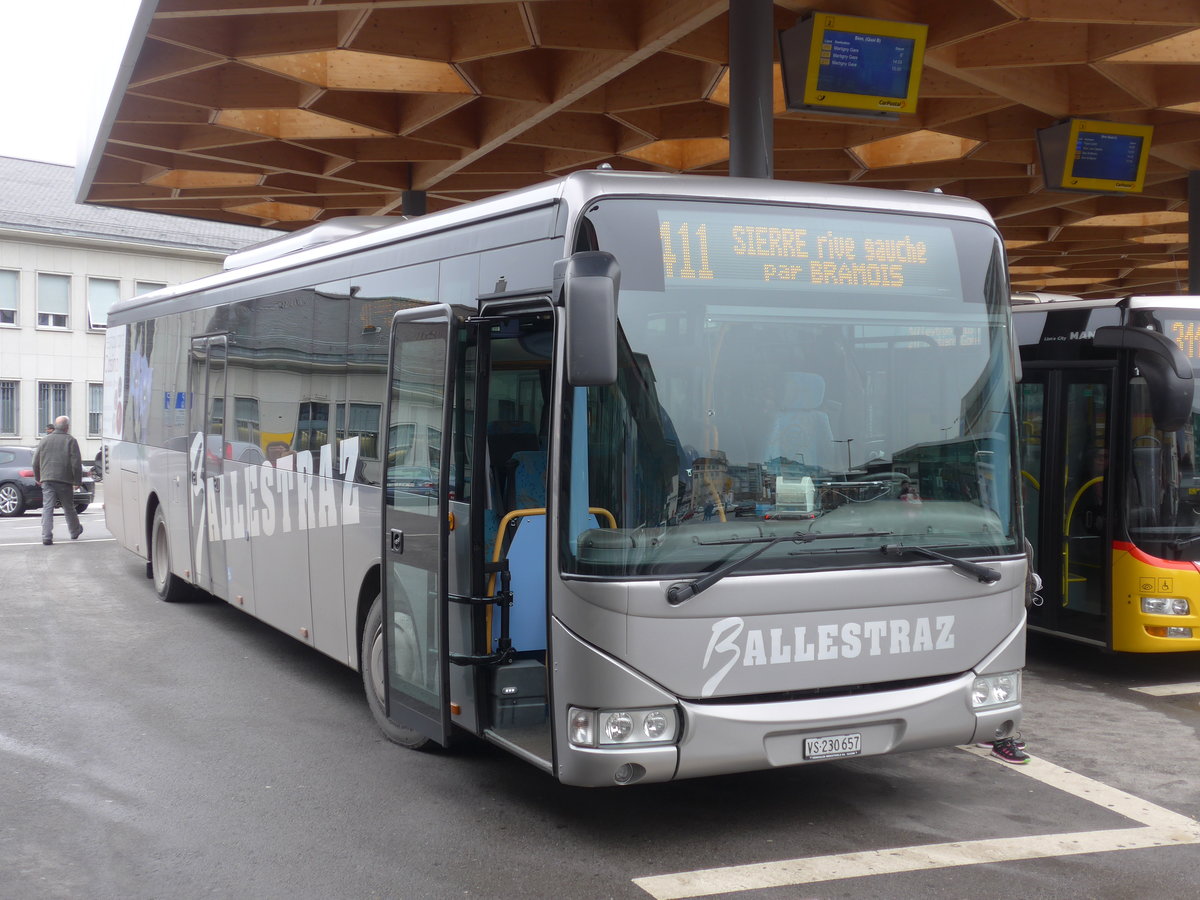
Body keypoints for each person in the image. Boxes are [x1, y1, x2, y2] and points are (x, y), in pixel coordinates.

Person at [32, 415, 84, 546]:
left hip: (47, 479)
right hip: (64, 480)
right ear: (67, 427)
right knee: (68, 507)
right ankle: (74, 531)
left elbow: (35, 462)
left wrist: (38, 478)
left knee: (47, 508)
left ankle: (46, 536)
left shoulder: (44, 440)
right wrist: (77, 481)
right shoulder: (71, 441)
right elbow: (76, 463)